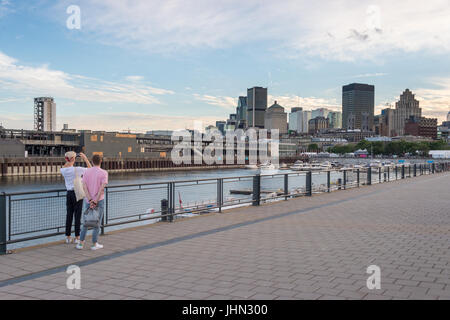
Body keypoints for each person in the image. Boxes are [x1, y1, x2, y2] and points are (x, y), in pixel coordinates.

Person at [76, 154, 108, 250]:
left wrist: (90, 199)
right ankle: (94, 244)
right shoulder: (104, 173)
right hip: (99, 200)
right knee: (97, 223)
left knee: (86, 221)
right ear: (101, 161)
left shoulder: (86, 172)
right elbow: (101, 189)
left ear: (92, 161)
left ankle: (81, 243)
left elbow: (84, 187)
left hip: (87, 201)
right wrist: (95, 200)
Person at [60, 151, 92, 244]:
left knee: (69, 215)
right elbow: (90, 169)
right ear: (73, 159)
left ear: (66, 159)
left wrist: (69, 159)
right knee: (77, 216)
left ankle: (68, 237)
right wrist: (85, 158)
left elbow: (66, 165)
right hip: (77, 193)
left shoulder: (63, 170)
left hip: (69, 193)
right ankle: (77, 237)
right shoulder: (77, 169)